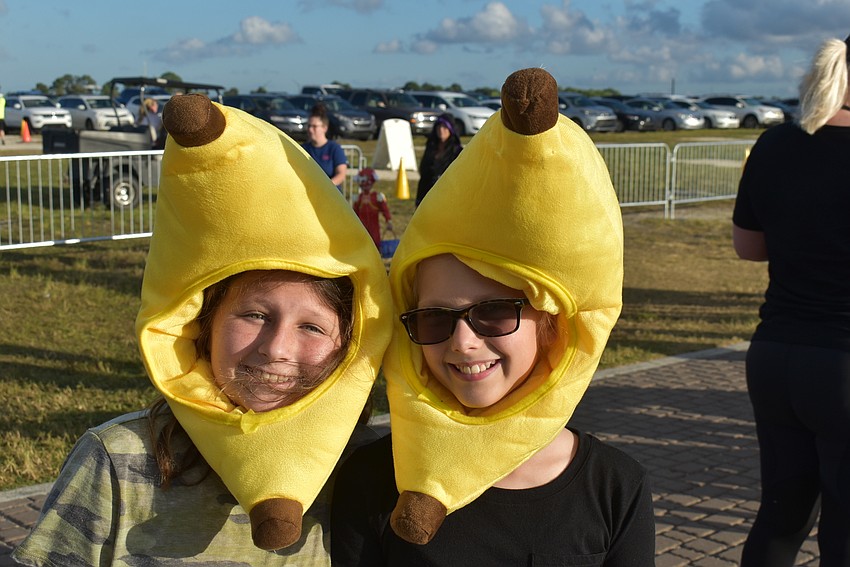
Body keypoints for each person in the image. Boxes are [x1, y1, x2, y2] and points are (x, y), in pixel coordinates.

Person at [13, 93, 392, 565]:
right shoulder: (118, 461)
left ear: (351, 347)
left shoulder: (369, 473)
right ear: (204, 324)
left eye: (312, 327)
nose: (276, 349)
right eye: (254, 315)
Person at [332, 68, 655, 565]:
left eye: (493, 313)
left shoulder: (614, 486)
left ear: (550, 324)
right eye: (435, 319)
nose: (462, 342)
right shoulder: (376, 479)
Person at [733, 34, 850, 567]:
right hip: (844, 364)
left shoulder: (776, 143)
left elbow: (748, 246)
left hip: (777, 354)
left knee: (781, 518)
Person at [414, 112, 462, 206]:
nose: (441, 130)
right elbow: (424, 173)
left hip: (447, 197)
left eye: (444, 127)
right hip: (427, 193)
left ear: (450, 130)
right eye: (438, 127)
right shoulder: (431, 147)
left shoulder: (457, 152)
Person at [302, 103, 348, 193]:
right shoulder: (303, 149)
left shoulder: (334, 148)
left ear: (324, 128)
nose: (310, 130)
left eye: (314, 126)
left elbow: (341, 174)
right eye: (309, 126)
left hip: (331, 196)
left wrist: (325, 187)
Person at [352, 167, 392, 249]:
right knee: (362, 243)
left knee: (375, 242)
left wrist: (388, 220)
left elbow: (385, 209)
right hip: (361, 226)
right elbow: (354, 212)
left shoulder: (377, 197)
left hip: (374, 226)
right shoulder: (359, 198)